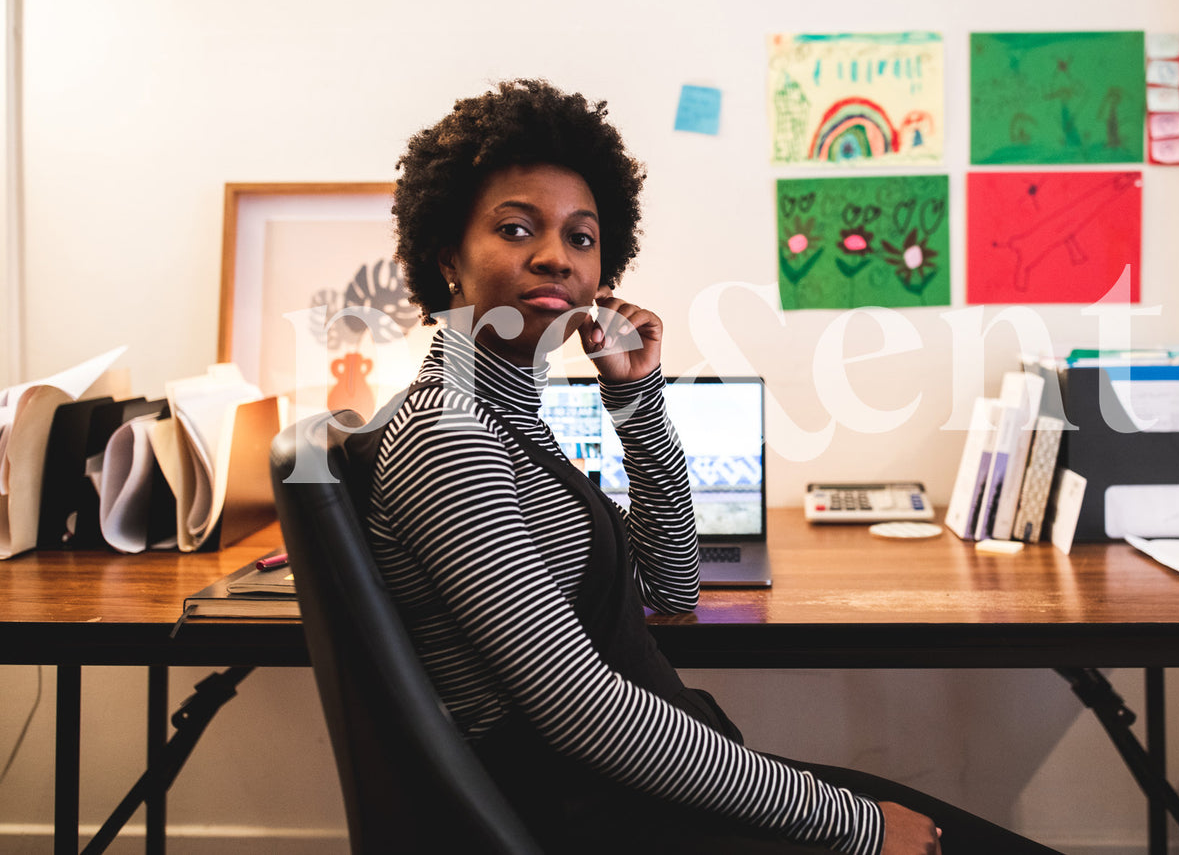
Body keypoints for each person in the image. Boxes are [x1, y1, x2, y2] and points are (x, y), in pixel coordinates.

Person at [360, 78, 1060, 855]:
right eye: (518, 228)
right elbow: (579, 708)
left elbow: (670, 585)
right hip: (592, 811)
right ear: (446, 255)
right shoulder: (447, 434)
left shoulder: (510, 418)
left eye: (582, 237)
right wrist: (850, 823)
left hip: (632, 790)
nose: (556, 256)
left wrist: (636, 403)